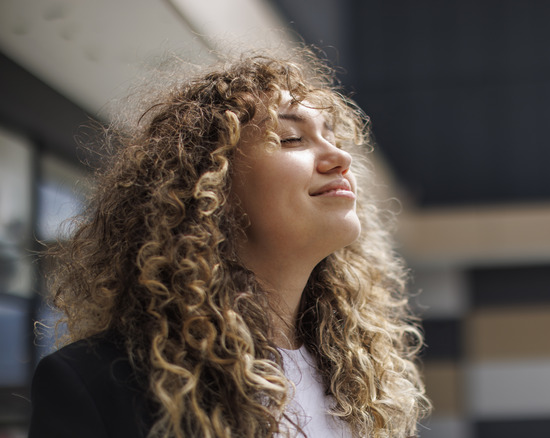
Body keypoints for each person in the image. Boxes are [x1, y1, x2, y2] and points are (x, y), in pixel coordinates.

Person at [28, 49, 430, 438]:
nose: (339, 156)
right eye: (291, 138)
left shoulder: (362, 382)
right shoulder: (97, 383)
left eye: (333, 137)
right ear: (210, 185)